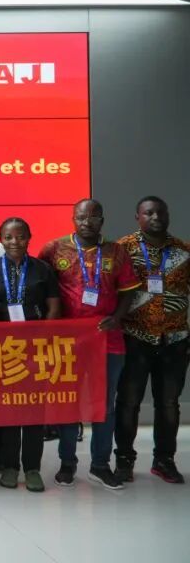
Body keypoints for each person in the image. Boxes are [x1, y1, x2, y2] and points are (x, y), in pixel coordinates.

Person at [38, 198, 138, 489]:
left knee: (104, 405)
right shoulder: (54, 249)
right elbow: (41, 288)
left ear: (101, 221)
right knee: (68, 403)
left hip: (107, 340)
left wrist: (117, 317)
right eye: (81, 217)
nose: (87, 222)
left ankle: (100, 465)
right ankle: (67, 463)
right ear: (73, 219)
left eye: (93, 217)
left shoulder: (117, 251)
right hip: (67, 343)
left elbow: (128, 291)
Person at [115, 196, 190, 485]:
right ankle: (124, 460)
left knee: (168, 403)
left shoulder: (184, 250)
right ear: (138, 217)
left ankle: (164, 461)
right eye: (149, 213)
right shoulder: (123, 249)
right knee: (128, 402)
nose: (156, 217)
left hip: (175, 339)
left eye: (161, 212)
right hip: (135, 338)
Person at [0, 218, 61, 493]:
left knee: (33, 410)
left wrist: (43, 340)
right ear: (1, 239)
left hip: (35, 349)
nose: (14, 242)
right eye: (8, 237)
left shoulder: (42, 269)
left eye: (20, 237)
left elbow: (53, 307)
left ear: (29, 237)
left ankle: (32, 468)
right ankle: (9, 466)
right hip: (2, 351)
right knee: (7, 410)